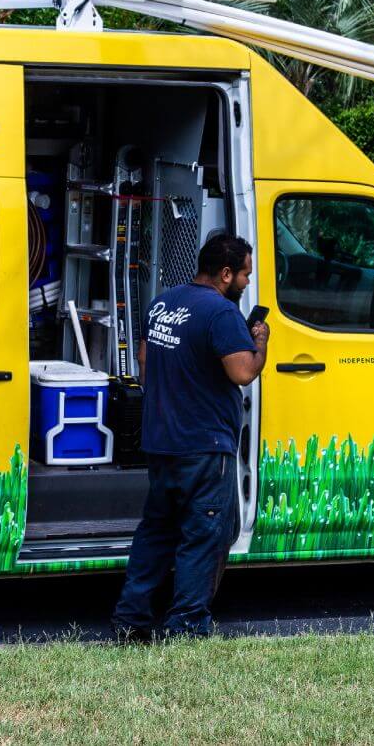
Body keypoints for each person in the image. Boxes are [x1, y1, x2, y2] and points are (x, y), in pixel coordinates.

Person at [111, 233, 269, 640]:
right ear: (226, 273)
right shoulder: (220, 313)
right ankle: (186, 626)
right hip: (204, 445)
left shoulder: (163, 302)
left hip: (161, 440)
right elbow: (242, 373)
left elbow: (146, 361)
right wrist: (260, 344)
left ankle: (131, 621)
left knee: (156, 533)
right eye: (245, 275)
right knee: (203, 535)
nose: (247, 284)